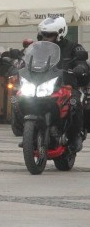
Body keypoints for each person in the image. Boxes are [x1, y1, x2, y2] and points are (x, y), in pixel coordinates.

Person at [36, 16, 89, 153]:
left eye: (50, 35)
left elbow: (82, 61)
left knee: (74, 103)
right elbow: (29, 60)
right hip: (44, 85)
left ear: (60, 33)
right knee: (21, 98)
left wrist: (80, 67)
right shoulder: (39, 48)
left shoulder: (73, 47)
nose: (46, 38)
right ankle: (28, 132)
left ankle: (75, 136)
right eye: (44, 34)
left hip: (67, 86)